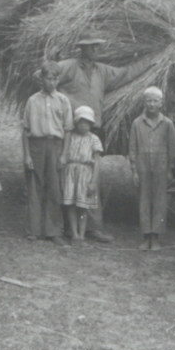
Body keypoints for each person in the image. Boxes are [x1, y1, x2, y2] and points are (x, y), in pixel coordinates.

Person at [50, 31, 152, 243]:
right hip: (70, 131)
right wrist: (64, 99)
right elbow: (42, 75)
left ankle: (93, 228)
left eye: (98, 45)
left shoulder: (102, 71)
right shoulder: (69, 66)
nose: (97, 49)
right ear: (82, 48)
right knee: (67, 178)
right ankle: (65, 228)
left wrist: (151, 61)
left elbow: (126, 73)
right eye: (92, 46)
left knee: (90, 179)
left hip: (92, 130)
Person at [22, 62, 74, 246]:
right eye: (48, 78)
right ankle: (34, 230)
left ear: (59, 80)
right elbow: (25, 130)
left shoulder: (63, 100)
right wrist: (27, 155)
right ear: (42, 78)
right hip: (36, 145)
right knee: (35, 186)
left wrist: (64, 154)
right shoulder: (32, 100)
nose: (51, 82)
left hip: (55, 145)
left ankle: (53, 231)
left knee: (54, 187)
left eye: (55, 79)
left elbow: (68, 130)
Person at [128, 87, 175, 251]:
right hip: (142, 166)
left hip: (161, 166)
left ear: (161, 103)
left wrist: (170, 169)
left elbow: (173, 148)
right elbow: (132, 148)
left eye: (155, 101)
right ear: (144, 102)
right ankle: (146, 236)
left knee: (160, 201)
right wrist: (134, 170)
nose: (152, 104)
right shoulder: (137, 123)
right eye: (149, 100)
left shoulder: (167, 124)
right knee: (144, 200)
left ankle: (155, 237)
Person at [61, 106, 104, 245]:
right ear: (76, 123)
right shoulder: (70, 137)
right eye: (81, 122)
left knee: (83, 207)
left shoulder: (94, 139)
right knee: (71, 205)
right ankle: (74, 234)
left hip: (86, 174)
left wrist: (93, 181)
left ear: (91, 124)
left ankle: (82, 234)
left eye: (87, 123)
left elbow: (97, 162)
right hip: (71, 173)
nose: (83, 126)